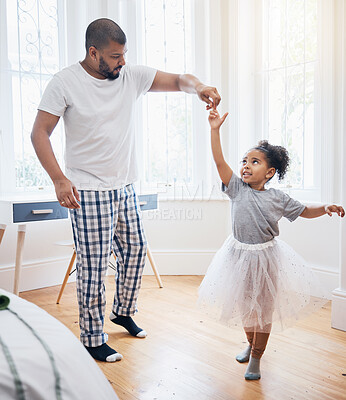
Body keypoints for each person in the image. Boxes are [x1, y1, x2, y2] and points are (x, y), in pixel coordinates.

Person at [31, 18, 221, 363]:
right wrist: (59, 179)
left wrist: (201, 86)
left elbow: (179, 80)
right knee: (92, 266)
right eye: (116, 56)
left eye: (124, 55)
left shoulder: (129, 75)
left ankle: (122, 311)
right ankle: (91, 337)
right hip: (87, 190)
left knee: (135, 250)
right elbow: (39, 133)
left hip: (125, 185)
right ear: (93, 53)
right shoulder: (64, 82)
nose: (122, 62)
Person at [198, 109, 345, 380]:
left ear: (270, 172)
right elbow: (219, 162)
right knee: (245, 305)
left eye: (254, 161)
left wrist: (324, 207)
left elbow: (304, 210)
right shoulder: (236, 189)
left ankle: (257, 357)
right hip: (237, 255)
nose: (245, 165)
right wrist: (214, 130)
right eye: (244, 160)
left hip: (265, 258)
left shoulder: (277, 198)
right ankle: (250, 344)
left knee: (262, 307)